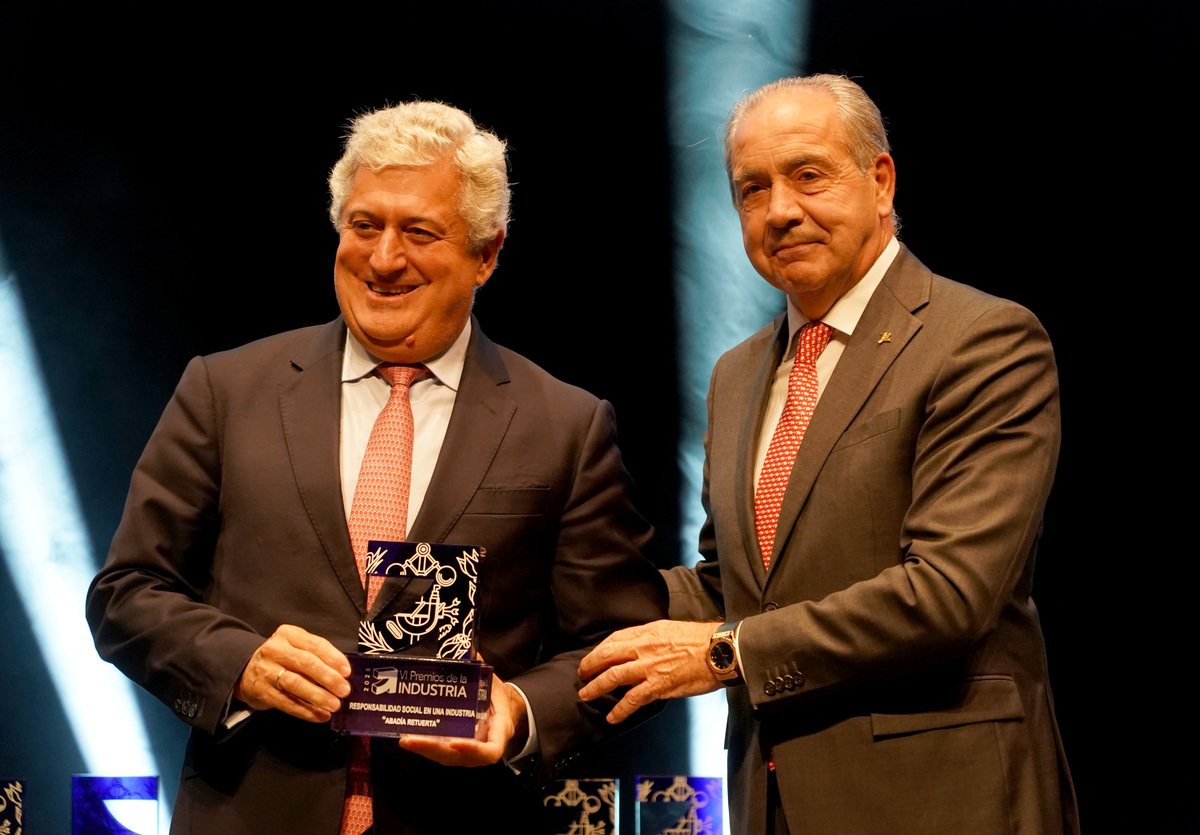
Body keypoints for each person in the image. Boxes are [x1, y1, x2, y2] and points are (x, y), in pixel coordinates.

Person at [86, 101, 667, 835]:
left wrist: (519, 712)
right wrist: (240, 663)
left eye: (420, 231)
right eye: (364, 225)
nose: (384, 258)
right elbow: (126, 593)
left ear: (486, 254)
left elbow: (619, 648)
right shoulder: (225, 390)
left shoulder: (566, 424)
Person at [578, 74, 1078, 835]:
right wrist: (557, 585)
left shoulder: (984, 341)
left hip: (941, 801)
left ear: (880, 181)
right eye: (752, 188)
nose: (780, 210)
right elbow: (733, 587)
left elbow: (948, 595)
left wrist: (725, 655)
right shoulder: (738, 374)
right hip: (771, 801)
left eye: (808, 175)